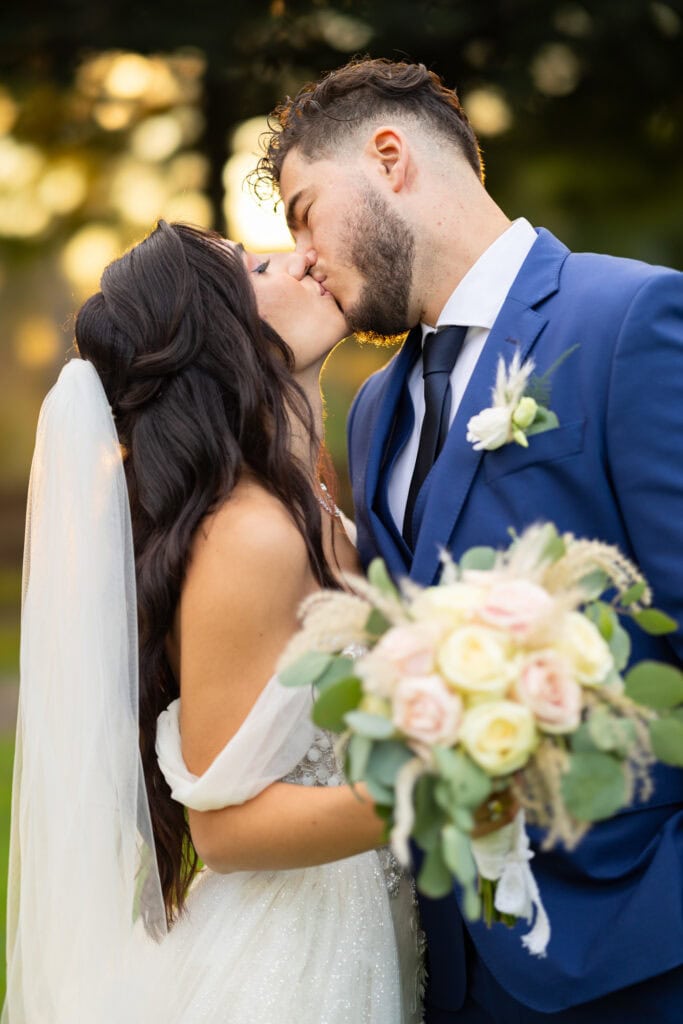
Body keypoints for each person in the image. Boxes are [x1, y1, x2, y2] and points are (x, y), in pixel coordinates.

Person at [258, 56, 683, 1024]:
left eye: (301, 210)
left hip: (639, 954)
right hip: (448, 967)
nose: (304, 254)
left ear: (388, 155)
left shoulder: (630, 319)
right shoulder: (371, 407)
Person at [2, 220, 424, 1023]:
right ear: (220, 335)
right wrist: (435, 789)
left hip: (365, 919)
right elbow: (224, 829)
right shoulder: (249, 534)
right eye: (260, 266)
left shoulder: (317, 497)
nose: (303, 255)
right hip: (297, 967)